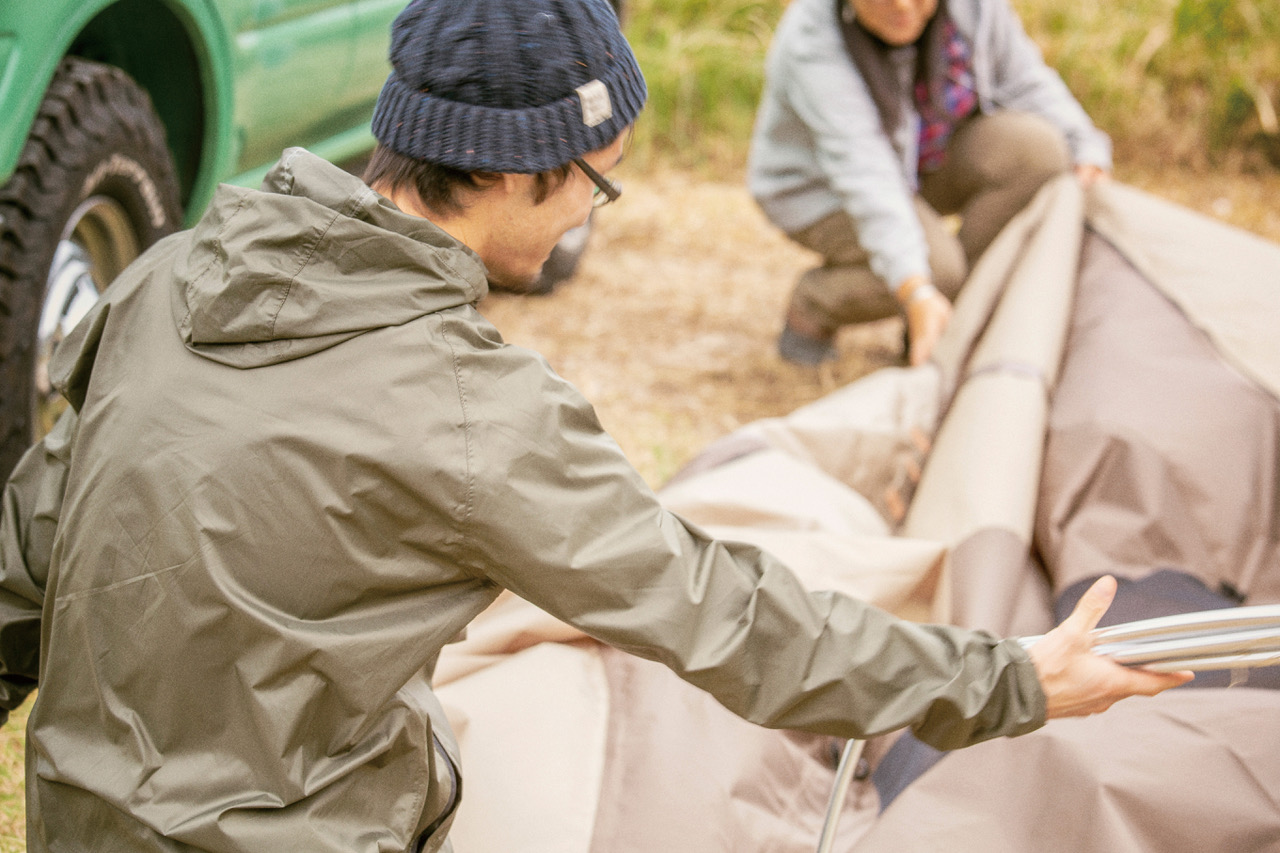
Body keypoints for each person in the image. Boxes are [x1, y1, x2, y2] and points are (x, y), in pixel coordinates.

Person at [0, 1, 1183, 851]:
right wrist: (1007, 676)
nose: (588, 220)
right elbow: (731, 619)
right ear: (518, 174)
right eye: (594, 184)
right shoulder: (473, 412)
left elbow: (23, 568)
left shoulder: (167, 277)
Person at [748, 0, 1112, 366]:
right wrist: (916, 287)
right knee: (935, 270)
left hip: (921, 156)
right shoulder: (812, 41)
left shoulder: (976, 8)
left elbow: (1025, 78)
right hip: (824, 187)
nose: (903, 5)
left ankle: (946, 322)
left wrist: (1086, 147)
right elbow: (864, 171)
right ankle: (816, 302)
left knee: (1036, 151)